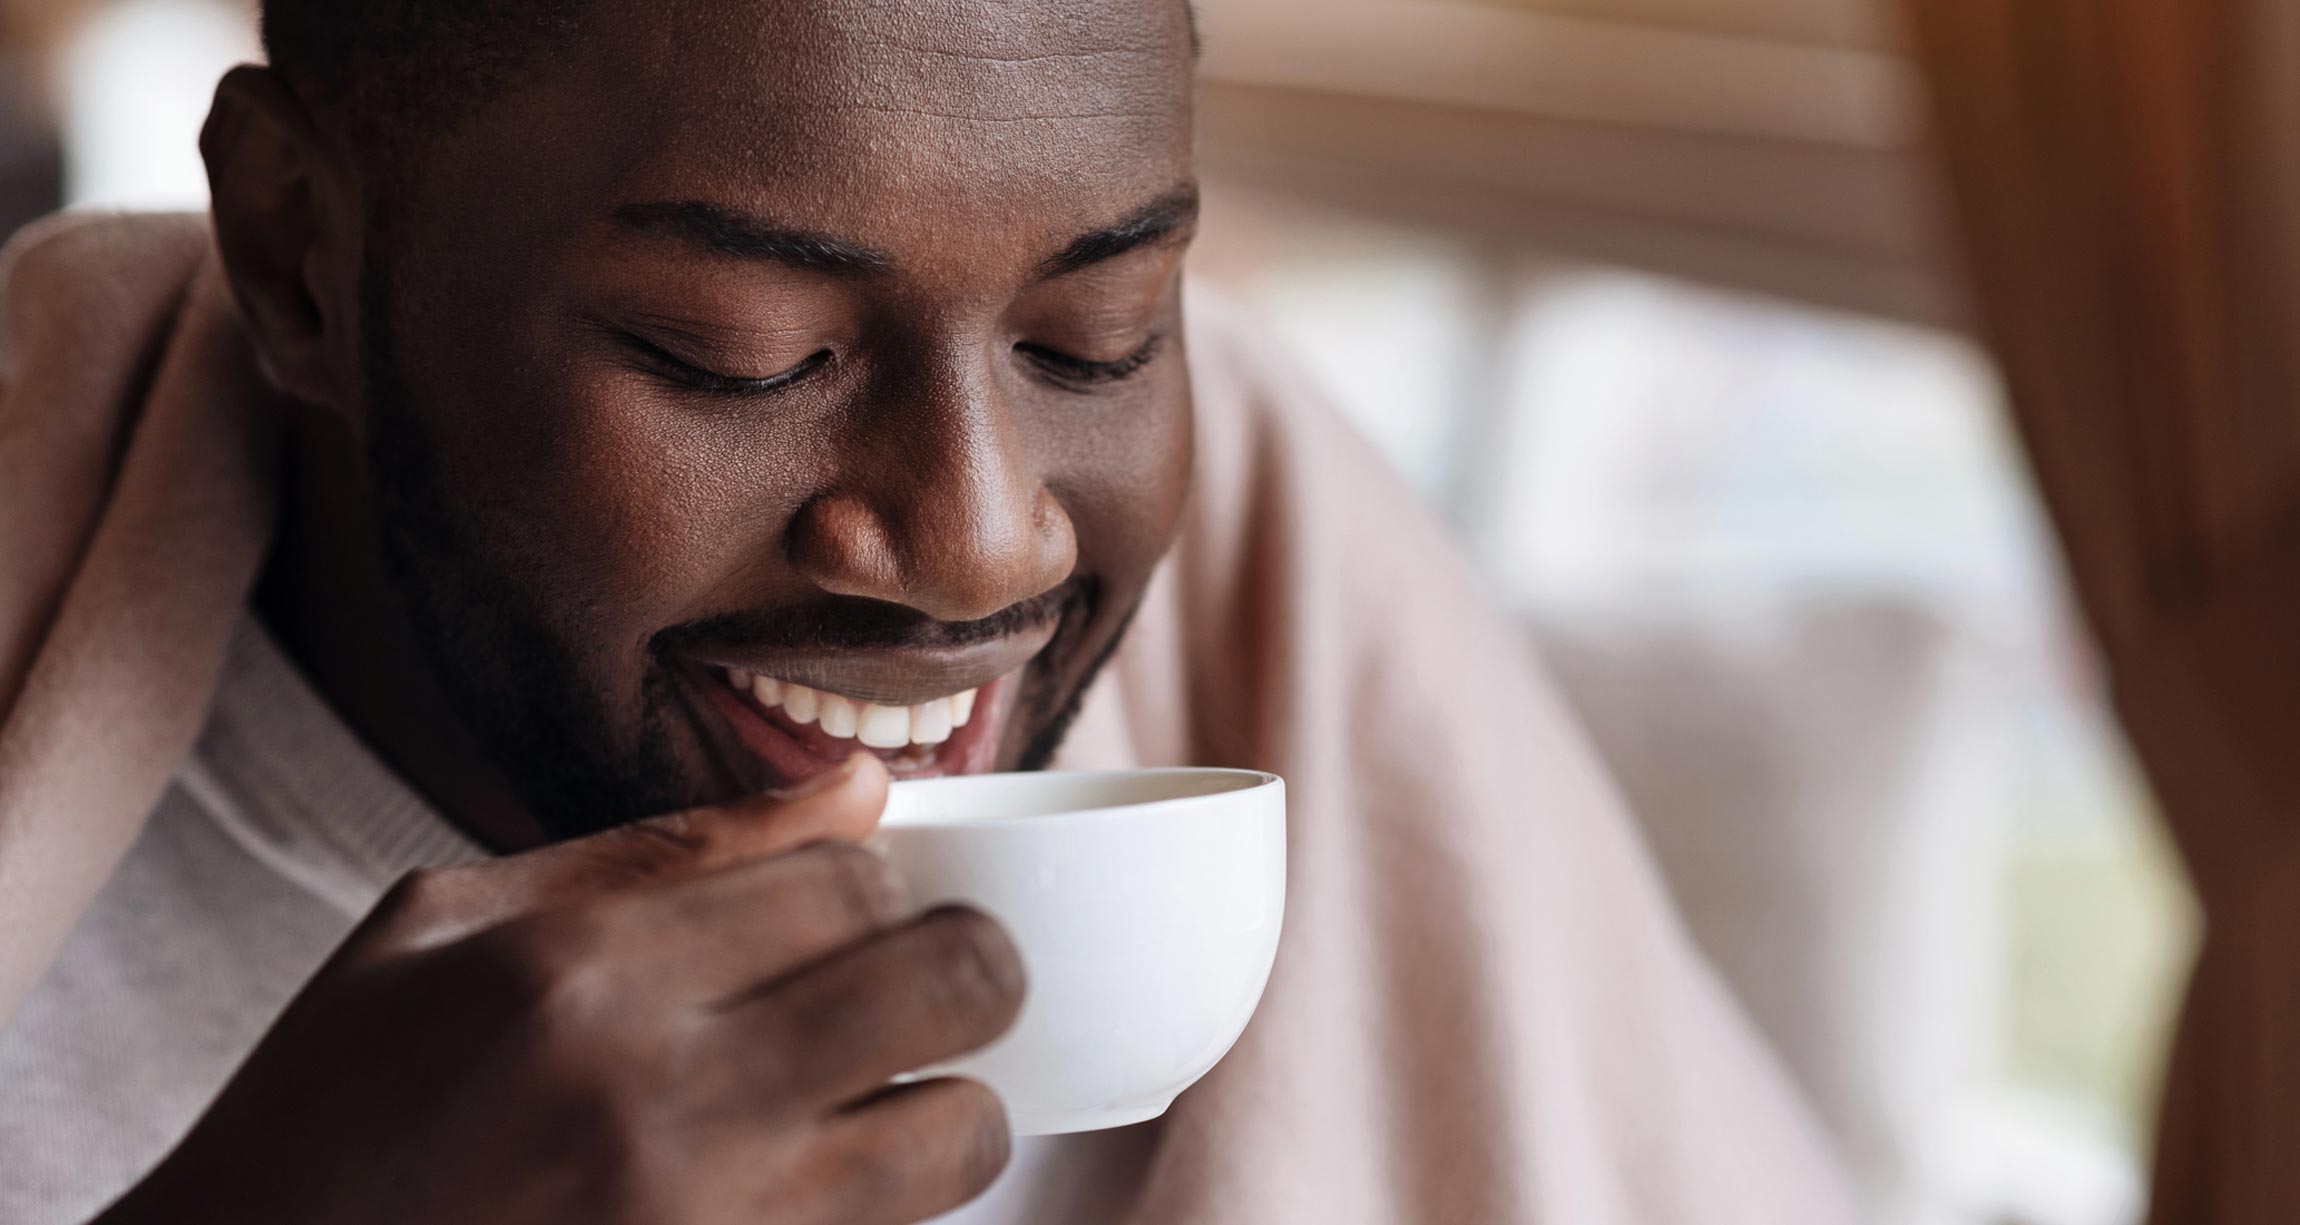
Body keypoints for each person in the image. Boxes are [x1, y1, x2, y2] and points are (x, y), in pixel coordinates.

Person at [0, 1, 1855, 1221]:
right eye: (743, 356)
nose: (983, 544)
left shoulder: (1280, 557)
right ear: (296, 257)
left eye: (1097, 338)